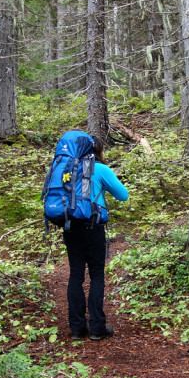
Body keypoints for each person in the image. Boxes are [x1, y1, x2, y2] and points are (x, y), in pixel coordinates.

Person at [64, 137, 128, 341]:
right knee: (97, 275)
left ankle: (76, 328)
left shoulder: (67, 168)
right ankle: (97, 328)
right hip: (93, 227)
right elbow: (123, 195)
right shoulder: (100, 169)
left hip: (70, 226)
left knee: (75, 275)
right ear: (98, 151)